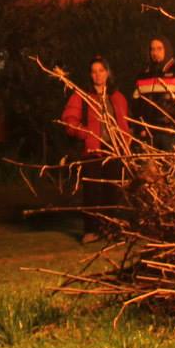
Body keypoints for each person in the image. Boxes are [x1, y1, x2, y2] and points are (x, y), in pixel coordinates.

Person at [60, 58, 132, 242]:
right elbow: (69, 119)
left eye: (101, 70)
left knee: (112, 192)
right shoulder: (81, 96)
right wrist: (85, 134)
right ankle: (91, 230)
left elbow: (125, 123)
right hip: (92, 150)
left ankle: (110, 229)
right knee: (92, 192)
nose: (98, 74)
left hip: (114, 151)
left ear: (108, 72)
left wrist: (126, 142)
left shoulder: (118, 97)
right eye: (94, 71)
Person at [132, 38, 175, 147]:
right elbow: (136, 106)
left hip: (171, 135)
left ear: (167, 50)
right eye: (152, 49)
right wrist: (141, 128)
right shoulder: (143, 75)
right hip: (149, 135)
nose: (155, 53)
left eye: (159, 49)